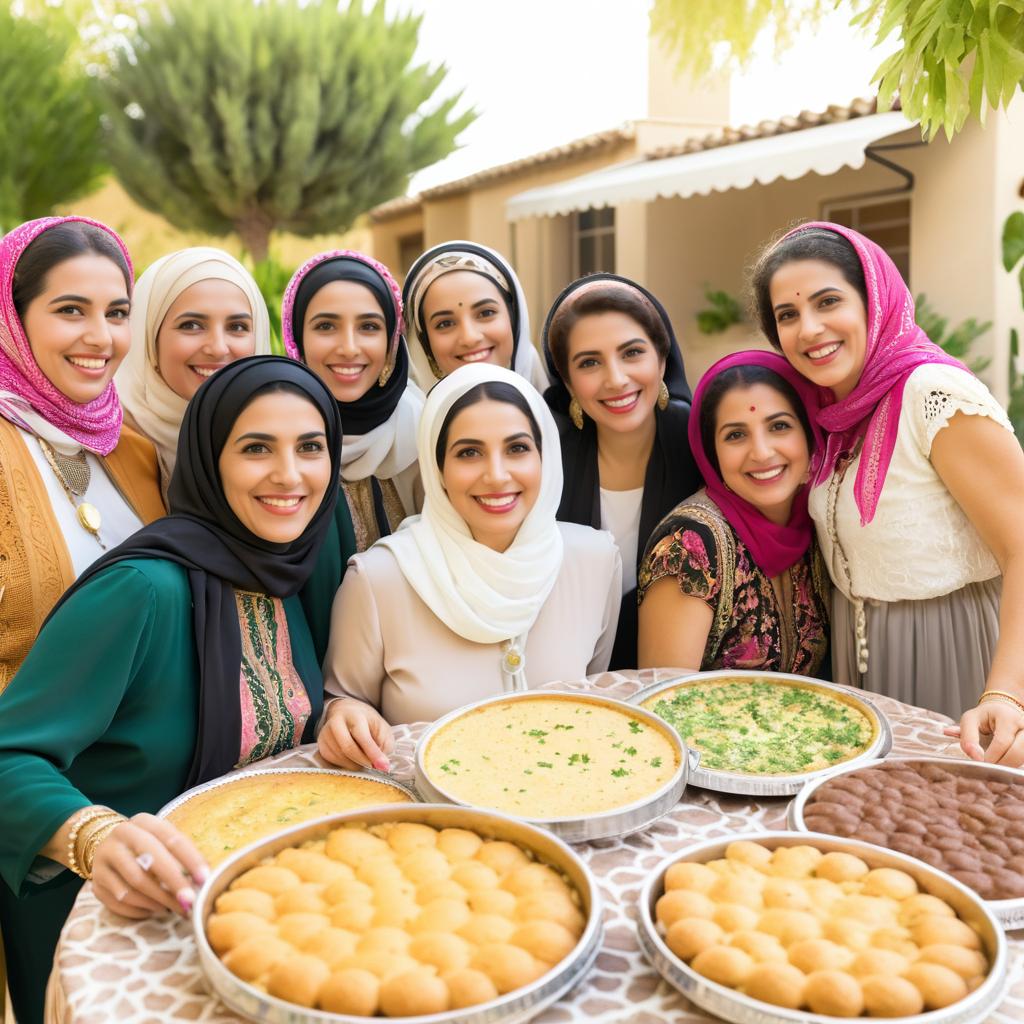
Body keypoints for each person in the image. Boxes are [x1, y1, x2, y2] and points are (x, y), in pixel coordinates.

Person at [0, 356, 342, 1023]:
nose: (290, 475)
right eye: (255, 449)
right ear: (210, 461)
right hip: (114, 929)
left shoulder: (295, 564)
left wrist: (339, 709)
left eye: (310, 447)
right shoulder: (143, 592)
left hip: (249, 919)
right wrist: (93, 836)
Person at [751, 220, 1024, 765]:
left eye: (829, 302)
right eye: (788, 315)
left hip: (956, 654)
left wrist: (1006, 693)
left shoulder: (931, 391)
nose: (809, 329)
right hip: (863, 666)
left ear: (874, 302)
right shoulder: (826, 416)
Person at [317, 364, 621, 770]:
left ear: (545, 455)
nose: (496, 476)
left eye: (517, 448)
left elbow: (594, 685)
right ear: (437, 468)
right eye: (469, 453)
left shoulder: (595, 559)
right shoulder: (379, 579)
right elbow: (341, 703)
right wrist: (343, 717)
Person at [0, 216, 165, 691]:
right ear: (12, 318)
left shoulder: (132, 448)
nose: (101, 337)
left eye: (116, 313)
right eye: (71, 310)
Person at [541, 273, 701, 669]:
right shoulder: (541, 465)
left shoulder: (707, 447)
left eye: (632, 353)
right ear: (567, 381)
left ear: (662, 359)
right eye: (590, 362)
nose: (616, 379)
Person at [638, 351, 830, 675]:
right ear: (711, 453)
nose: (762, 452)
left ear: (809, 434)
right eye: (736, 435)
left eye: (779, 426)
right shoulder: (690, 546)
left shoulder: (816, 523)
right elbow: (663, 700)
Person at [115, 246, 272, 498]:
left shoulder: (280, 442)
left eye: (237, 326)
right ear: (149, 339)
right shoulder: (106, 448)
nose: (218, 348)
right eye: (191, 325)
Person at [403, 240, 548, 393]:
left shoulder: (561, 412)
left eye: (486, 313)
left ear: (513, 318)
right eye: (445, 324)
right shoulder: (411, 416)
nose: (469, 338)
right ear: (425, 344)